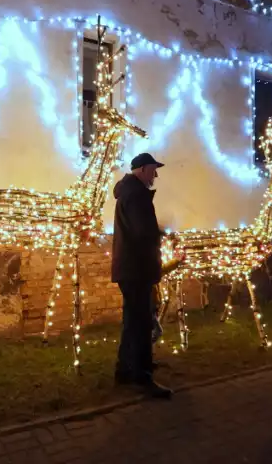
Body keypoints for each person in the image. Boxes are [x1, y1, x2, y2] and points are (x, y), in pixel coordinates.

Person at [111, 152, 173, 399]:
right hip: (136, 269)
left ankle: (125, 370)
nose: (155, 175)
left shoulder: (128, 192)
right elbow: (142, 232)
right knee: (142, 323)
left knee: (132, 321)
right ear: (142, 169)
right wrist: (159, 235)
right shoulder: (137, 195)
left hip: (129, 269)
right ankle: (143, 377)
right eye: (153, 169)